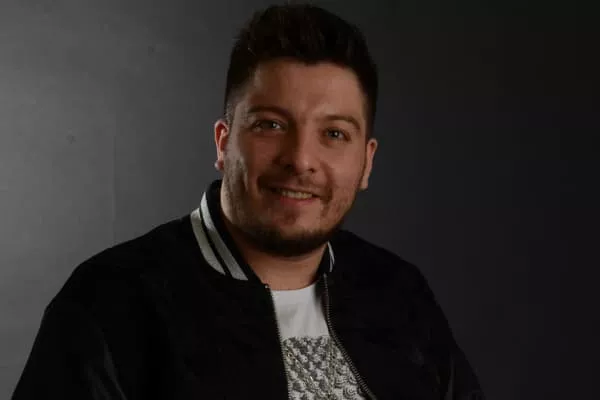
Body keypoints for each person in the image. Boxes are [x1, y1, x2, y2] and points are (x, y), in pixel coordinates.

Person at [12, 3, 484, 400]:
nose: (301, 159)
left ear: (367, 162)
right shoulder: (109, 305)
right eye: (270, 125)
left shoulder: (399, 293)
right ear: (223, 143)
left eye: (335, 134)